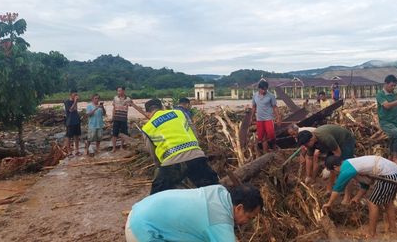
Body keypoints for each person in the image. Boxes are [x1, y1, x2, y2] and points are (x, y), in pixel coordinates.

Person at [125, 184, 263, 242]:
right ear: (239, 208)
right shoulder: (218, 220)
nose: (247, 221)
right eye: (249, 217)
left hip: (140, 212)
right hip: (142, 231)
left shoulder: (218, 192)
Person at [142, 98, 218, 194]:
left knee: (157, 194)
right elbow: (194, 132)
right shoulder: (179, 113)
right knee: (213, 189)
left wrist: (160, 168)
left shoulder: (147, 128)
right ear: (162, 107)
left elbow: (152, 153)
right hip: (196, 156)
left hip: (171, 163)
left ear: (147, 113)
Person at [322, 155, 397, 238]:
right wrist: (357, 197)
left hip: (389, 176)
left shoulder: (345, 170)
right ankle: (392, 229)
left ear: (335, 167)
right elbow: (365, 184)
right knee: (388, 202)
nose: (336, 174)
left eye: (333, 172)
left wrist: (329, 203)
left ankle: (371, 234)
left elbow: (337, 188)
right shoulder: (350, 163)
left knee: (372, 203)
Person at [297, 125, 355, 202]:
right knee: (332, 167)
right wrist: (309, 176)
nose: (305, 146)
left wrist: (329, 168)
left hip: (345, 141)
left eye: (306, 144)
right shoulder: (310, 144)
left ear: (311, 139)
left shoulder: (325, 138)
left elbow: (337, 154)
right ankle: (329, 189)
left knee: (346, 168)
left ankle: (347, 197)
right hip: (333, 145)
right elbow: (309, 158)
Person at [376, 75, 397, 166]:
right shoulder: (380, 94)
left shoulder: (394, 94)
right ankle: (395, 158)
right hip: (386, 122)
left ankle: (391, 158)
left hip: (396, 121)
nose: (393, 87)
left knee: (393, 139)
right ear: (386, 84)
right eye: (392, 85)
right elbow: (387, 106)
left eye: (394, 86)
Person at [111, 86, 146, 152]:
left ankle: (122, 147)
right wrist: (112, 117)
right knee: (114, 134)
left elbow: (133, 105)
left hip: (123, 118)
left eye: (120, 91)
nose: (118, 92)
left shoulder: (128, 99)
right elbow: (114, 108)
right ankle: (114, 148)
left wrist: (142, 110)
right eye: (118, 91)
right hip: (116, 118)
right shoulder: (115, 98)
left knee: (123, 133)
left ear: (123, 91)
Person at [251, 80, 281, 153]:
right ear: (259, 88)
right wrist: (251, 117)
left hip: (268, 118)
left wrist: (278, 118)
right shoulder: (255, 96)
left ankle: (274, 146)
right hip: (259, 119)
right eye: (263, 89)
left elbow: (274, 107)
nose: (264, 91)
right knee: (261, 137)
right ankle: (265, 152)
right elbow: (254, 107)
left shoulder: (271, 96)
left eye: (266, 89)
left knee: (271, 134)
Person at [64, 90, 81, 156]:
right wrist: (75, 101)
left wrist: (75, 102)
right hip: (70, 121)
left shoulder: (74, 102)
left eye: (76, 94)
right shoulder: (67, 101)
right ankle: (69, 151)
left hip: (76, 120)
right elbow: (70, 110)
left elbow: (75, 109)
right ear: (70, 95)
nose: (76, 96)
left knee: (76, 135)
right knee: (69, 136)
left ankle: (77, 150)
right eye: (74, 95)